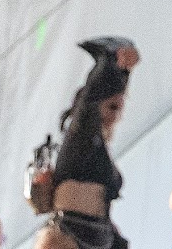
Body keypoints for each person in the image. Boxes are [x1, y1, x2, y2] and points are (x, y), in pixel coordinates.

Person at [41, 38, 140, 249]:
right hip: (68, 236)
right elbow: (92, 98)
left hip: (96, 235)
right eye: (112, 106)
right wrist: (111, 63)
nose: (118, 112)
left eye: (119, 107)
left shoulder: (99, 147)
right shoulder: (80, 136)